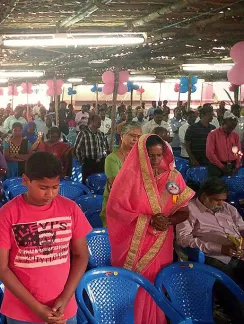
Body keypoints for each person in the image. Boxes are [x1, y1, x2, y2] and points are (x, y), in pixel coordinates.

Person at [0, 152, 91, 324]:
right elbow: (0, 267)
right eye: (43, 188)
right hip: (21, 311)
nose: (50, 194)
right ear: (26, 180)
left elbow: (81, 256)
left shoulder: (71, 209)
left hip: (62, 308)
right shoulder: (8, 214)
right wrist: (36, 308)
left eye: (55, 187)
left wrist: (66, 298)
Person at [106, 134, 195, 324]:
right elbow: (115, 211)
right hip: (133, 244)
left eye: (158, 155)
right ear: (140, 154)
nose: (155, 160)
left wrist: (168, 220)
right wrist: (147, 220)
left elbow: (183, 209)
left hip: (161, 243)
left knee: (156, 283)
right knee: (134, 286)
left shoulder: (173, 179)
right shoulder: (128, 179)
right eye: (150, 155)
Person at [176, 178, 244, 321]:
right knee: (228, 287)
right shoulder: (188, 209)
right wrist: (219, 248)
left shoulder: (228, 208)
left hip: (239, 253)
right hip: (213, 257)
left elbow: (242, 228)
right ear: (204, 195)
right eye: (216, 200)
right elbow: (183, 239)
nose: (221, 204)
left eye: (223, 199)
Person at [99, 122, 142, 226]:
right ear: (122, 136)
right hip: (116, 204)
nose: (136, 139)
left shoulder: (142, 158)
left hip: (136, 204)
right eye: (132, 135)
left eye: (139, 136)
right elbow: (116, 184)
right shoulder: (112, 158)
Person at [74, 115, 110, 183]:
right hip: (89, 163)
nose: (100, 122)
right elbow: (77, 150)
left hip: (101, 163)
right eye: (97, 120)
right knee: (87, 183)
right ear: (91, 121)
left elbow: (107, 149)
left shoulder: (101, 134)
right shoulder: (83, 133)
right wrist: (83, 161)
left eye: (100, 121)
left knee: (100, 182)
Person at [206, 111, 241, 177]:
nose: (230, 130)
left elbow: (239, 151)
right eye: (228, 128)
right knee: (216, 186)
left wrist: (237, 165)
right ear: (222, 123)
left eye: (232, 128)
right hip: (216, 166)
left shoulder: (235, 135)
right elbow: (210, 153)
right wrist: (222, 167)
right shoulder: (213, 134)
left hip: (232, 165)